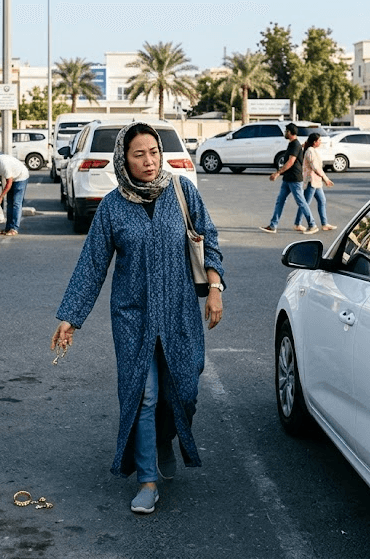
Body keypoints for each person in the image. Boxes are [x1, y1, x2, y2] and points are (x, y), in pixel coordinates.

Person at [50, 122, 225, 515]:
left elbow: (209, 238)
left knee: (184, 389)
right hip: (132, 316)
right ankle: (147, 480)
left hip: (179, 311)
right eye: (139, 154)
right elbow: (92, 265)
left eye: (154, 152)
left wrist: (215, 289)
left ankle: (167, 438)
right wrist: (71, 318)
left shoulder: (181, 192)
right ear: (124, 160)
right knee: (142, 395)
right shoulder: (112, 207)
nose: (149, 161)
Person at [260, 123, 318, 235]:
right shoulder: (292, 144)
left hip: (294, 179)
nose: (285, 133)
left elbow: (290, 162)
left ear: (291, 133)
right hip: (287, 178)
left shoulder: (295, 145)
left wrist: (277, 173)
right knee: (280, 201)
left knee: (301, 202)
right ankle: (273, 225)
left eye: (286, 131)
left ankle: (312, 224)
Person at [293, 133, 337, 232]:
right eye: (319, 140)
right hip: (311, 180)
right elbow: (315, 167)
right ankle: (297, 223)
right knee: (305, 204)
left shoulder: (313, 150)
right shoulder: (310, 152)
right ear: (314, 142)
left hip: (316, 181)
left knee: (322, 201)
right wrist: (325, 178)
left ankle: (324, 224)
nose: (320, 142)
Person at [0, 153, 30, 236]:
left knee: (16, 203)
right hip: (11, 178)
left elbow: (9, 183)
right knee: (9, 203)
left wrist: (1, 197)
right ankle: (8, 228)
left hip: (21, 177)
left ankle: (14, 228)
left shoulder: (4, 164)